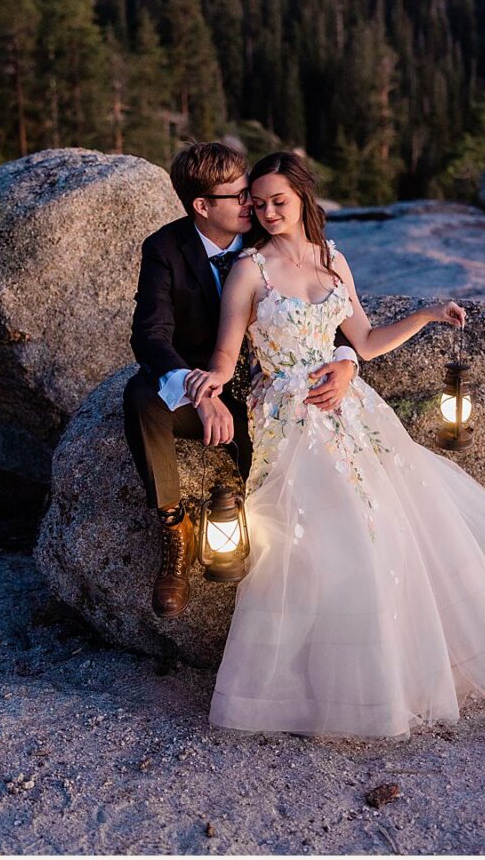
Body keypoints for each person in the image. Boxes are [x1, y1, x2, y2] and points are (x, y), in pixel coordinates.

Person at [185, 152, 485, 737]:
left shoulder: (333, 259)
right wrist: (206, 385)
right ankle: (319, 692)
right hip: (288, 412)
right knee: (322, 537)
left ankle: (397, 675)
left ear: (303, 197)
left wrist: (425, 314)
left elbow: (364, 341)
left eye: (278, 201)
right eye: (257, 203)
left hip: (351, 410)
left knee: (392, 521)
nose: (267, 212)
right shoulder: (250, 269)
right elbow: (226, 352)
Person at [123, 142, 358, 617]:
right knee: (141, 396)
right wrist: (198, 390)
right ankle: (175, 530)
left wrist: (348, 359)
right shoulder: (165, 249)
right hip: (208, 381)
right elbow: (149, 335)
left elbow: (322, 311)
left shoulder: (269, 232)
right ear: (202, 205)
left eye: (250, 191)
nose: (253, 204)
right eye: (239, 196)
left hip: (274, 391)